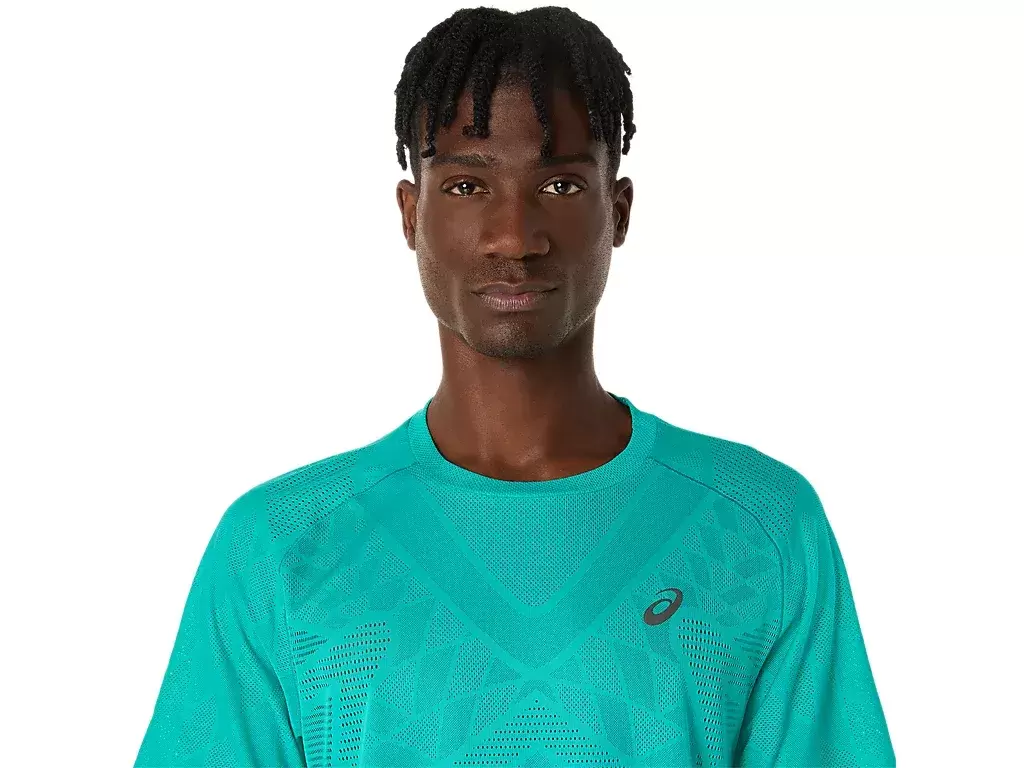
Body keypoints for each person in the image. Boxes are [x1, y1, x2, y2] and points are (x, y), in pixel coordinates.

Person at [135, 6, 895, 767]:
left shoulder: (759, 529)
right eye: (467, 185)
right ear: (411, 215)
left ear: (618, 211)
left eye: (560, 183)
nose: (514, 236)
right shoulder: (282, 547)